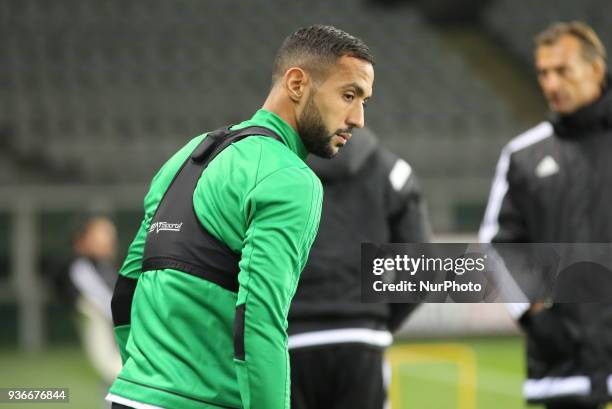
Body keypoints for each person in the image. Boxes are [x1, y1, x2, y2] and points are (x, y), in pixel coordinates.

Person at [106, 25, 375, 409]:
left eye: (364, 101)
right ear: (296, 83)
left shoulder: (189, 155)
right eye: (348, 95)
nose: (359, 118)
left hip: (130, 395)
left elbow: (127, 289)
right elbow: (259, 318)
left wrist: (144, 378)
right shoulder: (290, 178)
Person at [480, 21, 612, 409]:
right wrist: (536, 314)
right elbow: (496, 246)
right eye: (543, 72)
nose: (551, 84)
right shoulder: (523, 156)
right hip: (563, 365)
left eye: (562, 70)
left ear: (595, 70)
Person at [288, 126, 431, 409]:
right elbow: (423, 269)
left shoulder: (272, 169)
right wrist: (378, 318)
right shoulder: (392, 172)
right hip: (362, 339)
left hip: (289, 340)